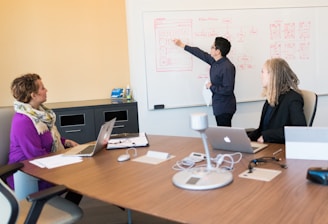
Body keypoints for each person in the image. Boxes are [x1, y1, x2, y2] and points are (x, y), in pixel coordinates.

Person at [7, 73, 79, 190]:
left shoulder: (40, 114)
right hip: (28, 173)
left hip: (44, 163)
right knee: (78, 174)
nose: (46, 90)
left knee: (79, 171)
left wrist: (66, 142)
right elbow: (35, 155)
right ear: (34, 95)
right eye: (43, 88)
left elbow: (47, 138)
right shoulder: (23, 121)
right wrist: (65, 158)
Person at [173, 37, 236, 127]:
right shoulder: (215, 62)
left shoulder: (227, 67)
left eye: (212, 47)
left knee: (225, 134)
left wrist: (211, 86)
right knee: (223, 132)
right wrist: (182, 45)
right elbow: (200, 53)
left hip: (225, 107)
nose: (210, 49)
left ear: (218, 51)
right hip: (218, 105)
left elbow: (228, 89)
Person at [247, 58, 307, 144]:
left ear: (274, 75)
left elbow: (299, 130)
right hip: (269, 146)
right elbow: (262, 129)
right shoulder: (271, 98)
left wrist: (267, 136)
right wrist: (248, 138)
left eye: (263, 72)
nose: (261, 76)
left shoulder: (293, 99)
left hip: (281, 149)